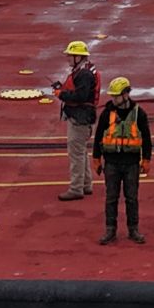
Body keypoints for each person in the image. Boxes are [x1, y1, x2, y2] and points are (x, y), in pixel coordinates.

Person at [93, 78, 151, 245]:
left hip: (131, 163)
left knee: (131, 197)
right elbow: (98, 136)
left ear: (126, 95)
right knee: (111, 197)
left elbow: (146, 138)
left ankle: (133, 229)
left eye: (117, 96)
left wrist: (146, 159)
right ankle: (110, 229)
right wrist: (97, 158)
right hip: (111, 162)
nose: (114, 99)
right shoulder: (107, 113)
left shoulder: (139, 113)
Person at [52, 40, 98, 200]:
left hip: (80, 118)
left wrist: (61, 94)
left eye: (70, 56)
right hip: (83, 116)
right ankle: (86, 184)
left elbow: (80, 96)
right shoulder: (84, 71)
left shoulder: (83, 74)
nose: (68, 59)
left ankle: (76, 188)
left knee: (76, 153)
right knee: (82, 151)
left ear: (78, 57)